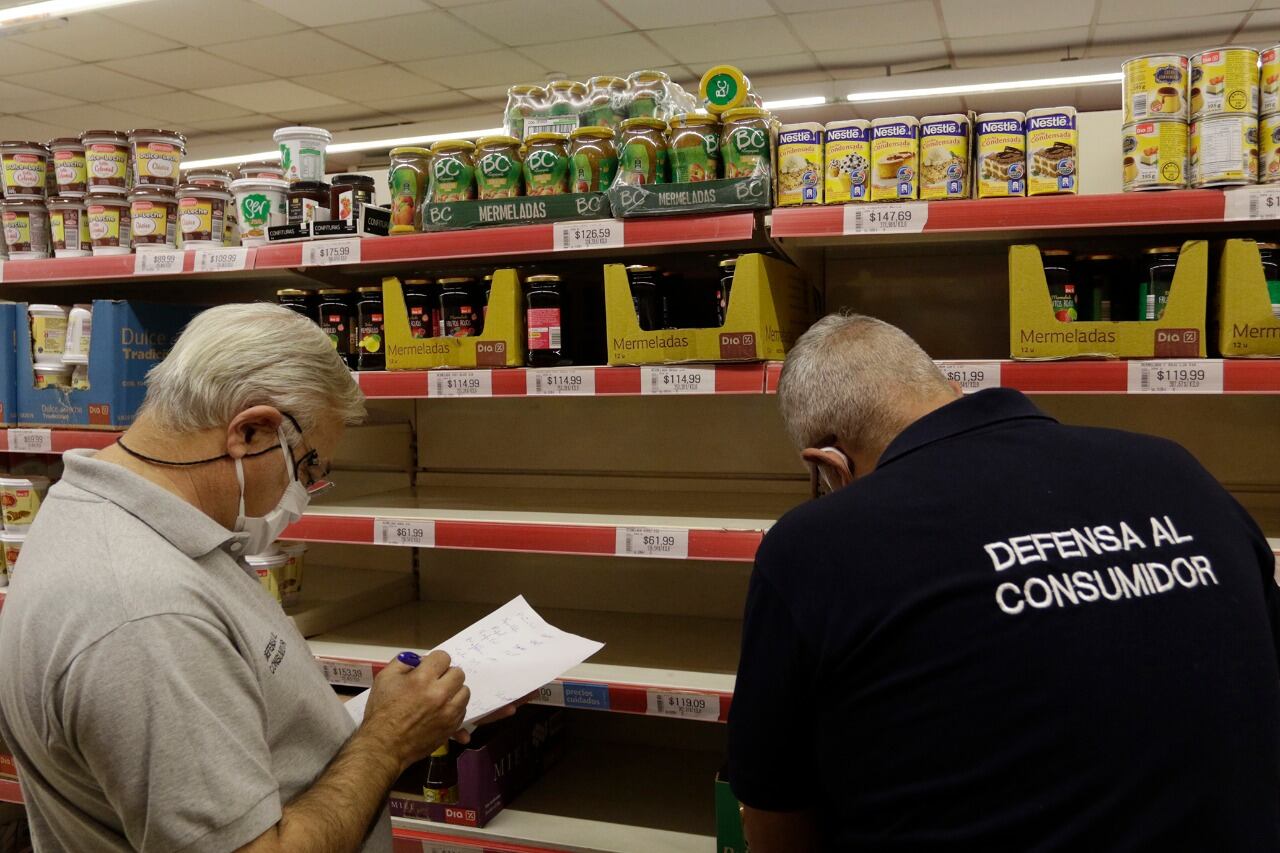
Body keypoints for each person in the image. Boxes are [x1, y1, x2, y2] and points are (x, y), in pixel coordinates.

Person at [728, 313, 1280, 851]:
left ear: (829, 465)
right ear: (941, 386)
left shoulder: (816, 546)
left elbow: (777, 823)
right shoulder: (1177, 470)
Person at [0, 303, 509, 853]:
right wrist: (387, 743)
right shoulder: (144, 614)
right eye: (308, 468)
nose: (303, 495)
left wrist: (402, 713)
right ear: (251, 432)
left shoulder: (116, 515)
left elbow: (222, 722)